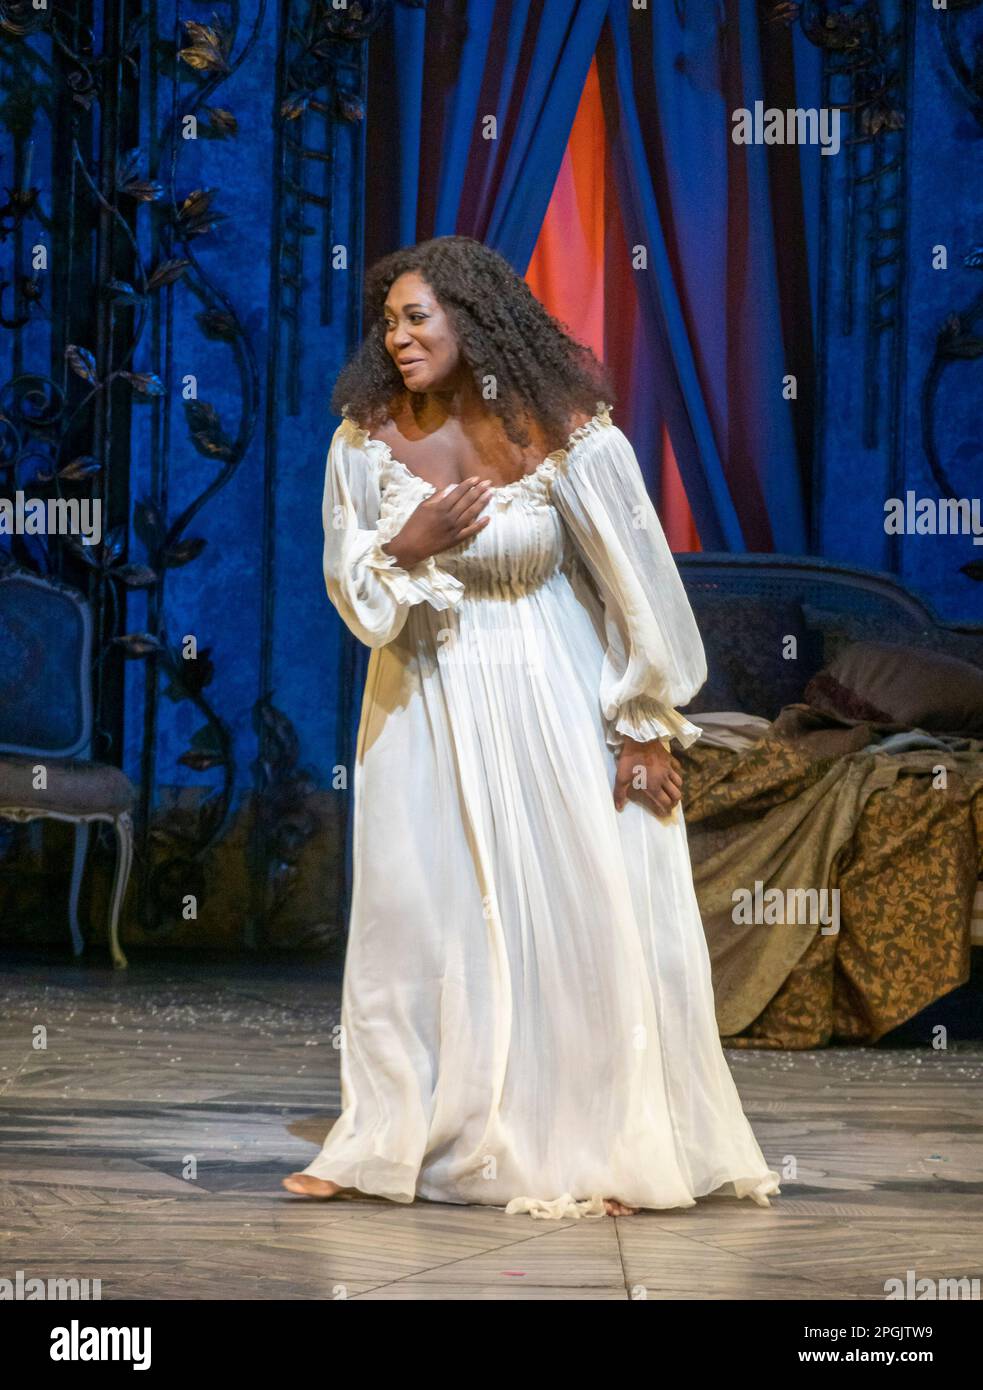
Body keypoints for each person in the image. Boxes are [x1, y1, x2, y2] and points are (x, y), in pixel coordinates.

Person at [282, 235, 780, 1219]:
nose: (397, 335)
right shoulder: (364, 437)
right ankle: (383, 1137)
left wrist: (643, 726)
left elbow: (634, 584)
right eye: (387, 320)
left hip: (552, 692)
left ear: (472, 320)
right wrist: (408, 541)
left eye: (416, 316)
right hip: (419, 704)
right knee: (414, 919)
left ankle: (600, 1139)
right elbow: (356, 594)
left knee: (579, 912)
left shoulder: (567, 433)